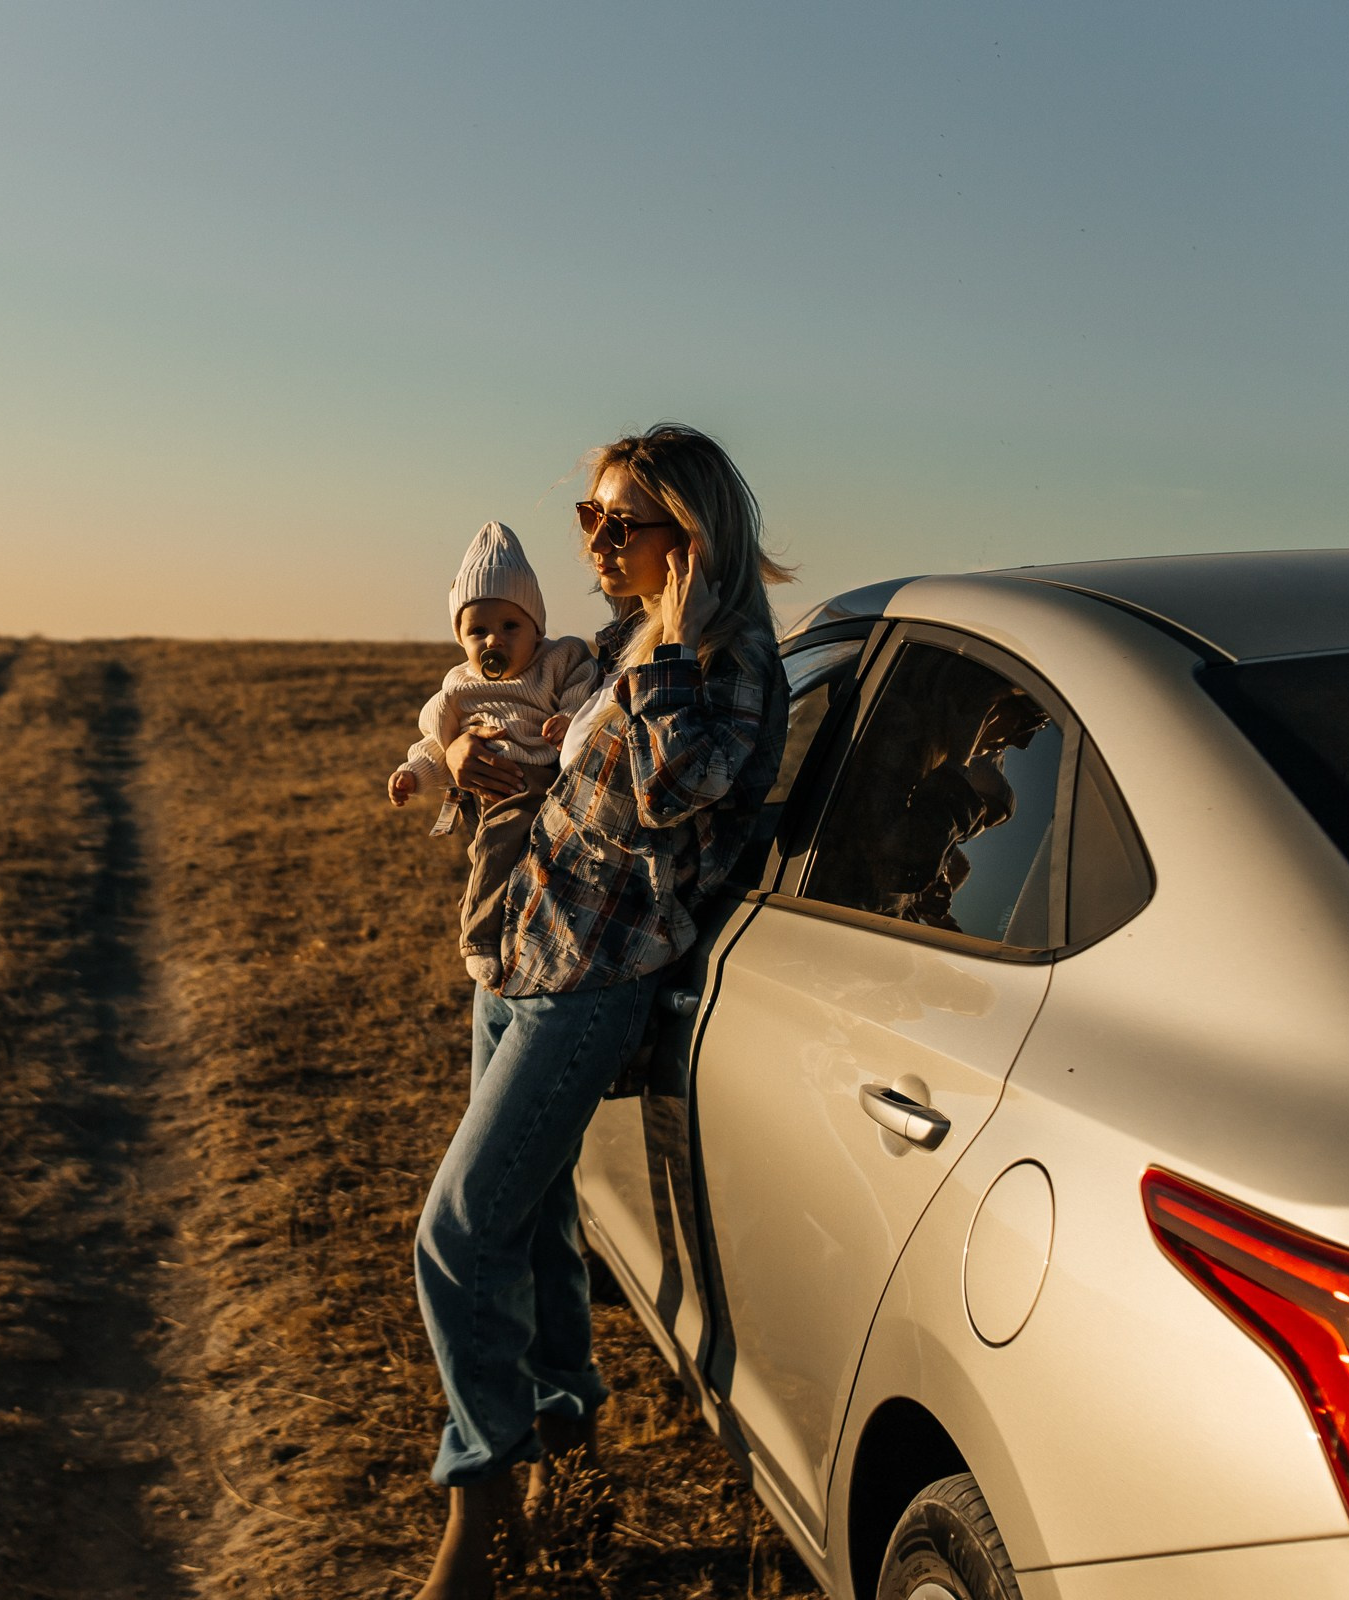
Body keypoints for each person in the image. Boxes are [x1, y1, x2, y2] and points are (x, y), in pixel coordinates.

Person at [411, 426, 792, 1598]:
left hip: (598, 980)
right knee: (533, 1228)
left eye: (615, 521)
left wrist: (671, 642)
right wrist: (506, 771)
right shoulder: (628, 644)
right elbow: (596, 785)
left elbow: (671, 790)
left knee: (458, 1233)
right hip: (529, 951)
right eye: (588, 516)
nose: (594, 540)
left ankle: (482, 1507)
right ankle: (569, 1452)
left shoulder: (723, 666)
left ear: (691, 535)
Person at [390, 522, 603, 986]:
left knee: (500, 845)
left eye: (510, 626)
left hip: (533, 778)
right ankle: (491, 932)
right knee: (491, 853)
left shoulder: (559, 658)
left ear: (536, 626)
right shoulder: (460, 686)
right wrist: (414, 773)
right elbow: (438, 742)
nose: (494, 641)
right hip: (481, 791)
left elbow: (586, 691)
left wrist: (568, 721)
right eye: (478, 631)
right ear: (461, 639)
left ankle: (479, 934)